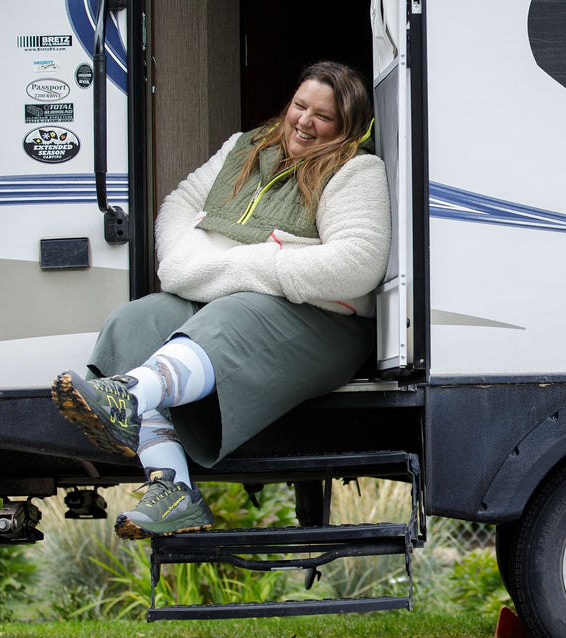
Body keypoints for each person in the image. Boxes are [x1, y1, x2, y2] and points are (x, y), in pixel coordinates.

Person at [51, 61, 391, 540]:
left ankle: (127, 396)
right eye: (299, 105)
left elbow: (357, 264)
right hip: (229, 299)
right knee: (137, 321)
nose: (304, 122)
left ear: (347, 126)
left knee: (232, 316)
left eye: (324, 116)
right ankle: (172, 491)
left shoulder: (356, 168)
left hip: (323, 325)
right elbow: (178, 207)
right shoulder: (244, 149)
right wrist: (191, 265)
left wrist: (242, 267)